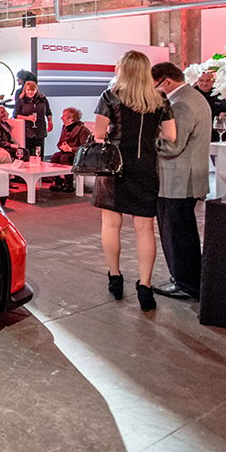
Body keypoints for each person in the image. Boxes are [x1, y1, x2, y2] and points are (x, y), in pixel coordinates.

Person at [92, 51, 176, 312]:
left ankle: (115, 278)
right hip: (145, 168)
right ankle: (146, 287)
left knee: (111, 224)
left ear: (123, 69)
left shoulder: (110, 96)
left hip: (114, 167)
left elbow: (97, 135)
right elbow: (171, 136)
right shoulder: (160, 99)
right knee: (144, 229)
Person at [151, 61, 212, 299]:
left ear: (166, 81)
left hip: (177, 180)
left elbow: (172, 145)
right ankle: (187, 280)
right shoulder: (192, 97)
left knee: (176, 234)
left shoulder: (181, 103)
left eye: (155, 86)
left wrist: (145, 141)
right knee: (182, 232)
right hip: (184, 178)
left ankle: (185, 284)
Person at [48, 107, 92, 191]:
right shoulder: (65, 128)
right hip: (67, 152)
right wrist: (62, 147)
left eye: (63, 116)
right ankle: (57, 181)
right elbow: (60, 142)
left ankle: (69, 183)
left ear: (71, 118)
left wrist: (71, 149)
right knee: (55, 156)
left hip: (79, 156)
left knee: (65, 158)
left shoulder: (83, 130)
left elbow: (86, 147)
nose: (61, 118)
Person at [13, 80, 53, 160]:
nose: (30, 92)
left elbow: (48, 112)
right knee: (28, 152)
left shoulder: (43, 99)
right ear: (25, 90)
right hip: (27, 130)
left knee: (39, 153)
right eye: (28, 90)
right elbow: (15, 115)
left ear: (36, 90)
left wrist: (50, 122)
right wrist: (27, 118)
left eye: (32, 90)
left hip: (40, 128)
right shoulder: (21, 100)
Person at [193, 68, 226, 143]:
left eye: (208, 80)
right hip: (197, 133)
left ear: (213, 81)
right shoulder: (192, 94)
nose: (204, 83)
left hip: (217, 133)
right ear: (197, 81)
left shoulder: (221, 93)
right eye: (201, 80)